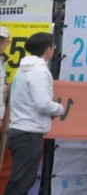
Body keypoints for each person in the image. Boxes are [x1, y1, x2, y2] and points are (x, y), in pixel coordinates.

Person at [4, 32, 64, 195]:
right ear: (47, 49)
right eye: (53, 46)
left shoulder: (22, 69)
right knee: (21, 183)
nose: (54, 49)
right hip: (29, 134)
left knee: (19, 180)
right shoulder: (40, 72)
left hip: (19, 130)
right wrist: (59, 108)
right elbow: (43, 104)